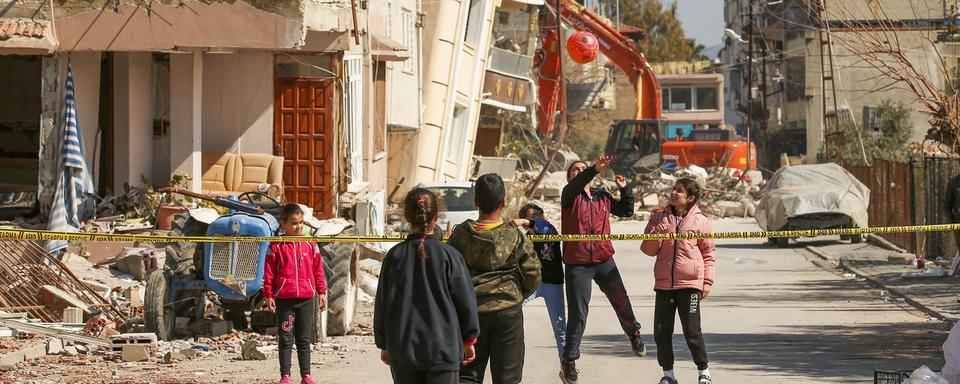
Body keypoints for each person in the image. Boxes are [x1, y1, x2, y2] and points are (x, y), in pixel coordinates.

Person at [374, 188, 480, 384]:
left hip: (404, 351)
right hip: (444, 351)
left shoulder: (394, 257)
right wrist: (469, 339)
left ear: (407, 216)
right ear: (437, 216)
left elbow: (382, 304)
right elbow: (465, 302)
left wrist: (384, 343)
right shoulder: (450, 256)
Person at [448, 173, 542, 384]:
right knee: (507, 378)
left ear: (475, 202)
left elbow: (449, 275)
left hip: (470, 313)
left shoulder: (460, 234)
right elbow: (533, 273)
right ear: (503, 202)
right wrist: (517, 294)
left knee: (467, 375)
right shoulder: (515, 236)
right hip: (507, 312)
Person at [559, 156, 643, 384]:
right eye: (574, 170)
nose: (579, 172)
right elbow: (577, 184)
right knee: (578, 314)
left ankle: (633, 333)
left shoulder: (601, 196)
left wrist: (625, 189)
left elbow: (626, 211)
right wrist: (593, 169)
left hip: (603, 258)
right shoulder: (569, 195)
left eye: (582, 169)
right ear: (569, 178)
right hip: (577, 263)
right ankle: (569, 362)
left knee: (621, 299)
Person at [641, 178, 716, 384]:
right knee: (661, 332)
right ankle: (668, 375)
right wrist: (656, 237)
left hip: (690, 285)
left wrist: (707, 281)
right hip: (664, 285)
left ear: (690, 198)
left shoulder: (701, 222)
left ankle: (704, 372)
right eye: (673, 189)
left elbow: (708, 253)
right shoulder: (658, 218)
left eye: (679, 191)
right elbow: (647, 251)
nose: (674, 193)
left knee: (692, 331)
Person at [263, 203, 327, 384]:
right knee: (285, 339)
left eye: (301, 223)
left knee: (304, 340)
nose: (298, 226)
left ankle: (306, 375)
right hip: (285, 300)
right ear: (283, 223)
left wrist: (321, 291)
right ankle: (285, 376)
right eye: (294, 223)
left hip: (307, 298)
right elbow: (269, 273)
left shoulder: (310, 244)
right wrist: (268, 295)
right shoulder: (276, 246)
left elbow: (318, 270)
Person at [513, 203, 566, 362]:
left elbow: (541, 227)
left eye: (538, 215)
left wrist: (527, 222)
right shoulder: (524, 238)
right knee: (510, 310)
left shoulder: (550, 230)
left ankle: (567, 363)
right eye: (531, 217)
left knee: (560, 326)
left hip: (552, 282)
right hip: (532, 284)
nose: (536, 219)